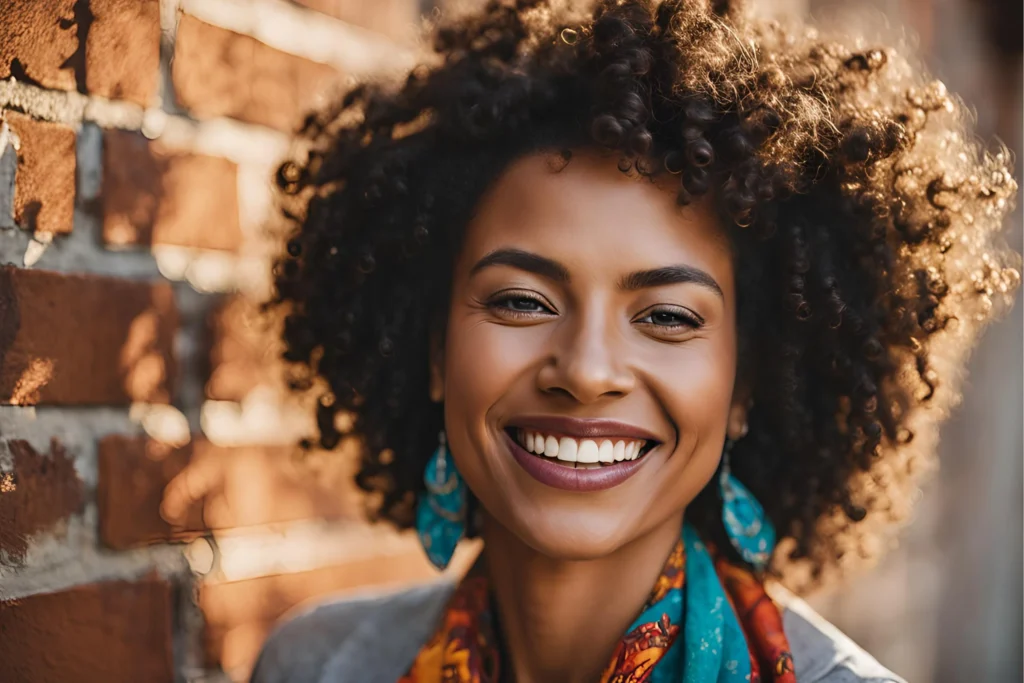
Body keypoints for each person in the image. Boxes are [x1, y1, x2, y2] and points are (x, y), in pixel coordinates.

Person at [251, 1, 1019, 681]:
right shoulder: (314, 664)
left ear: (746, 383)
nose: (585, 371)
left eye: (668, 316)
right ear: (433, 353)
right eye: (522, 300)